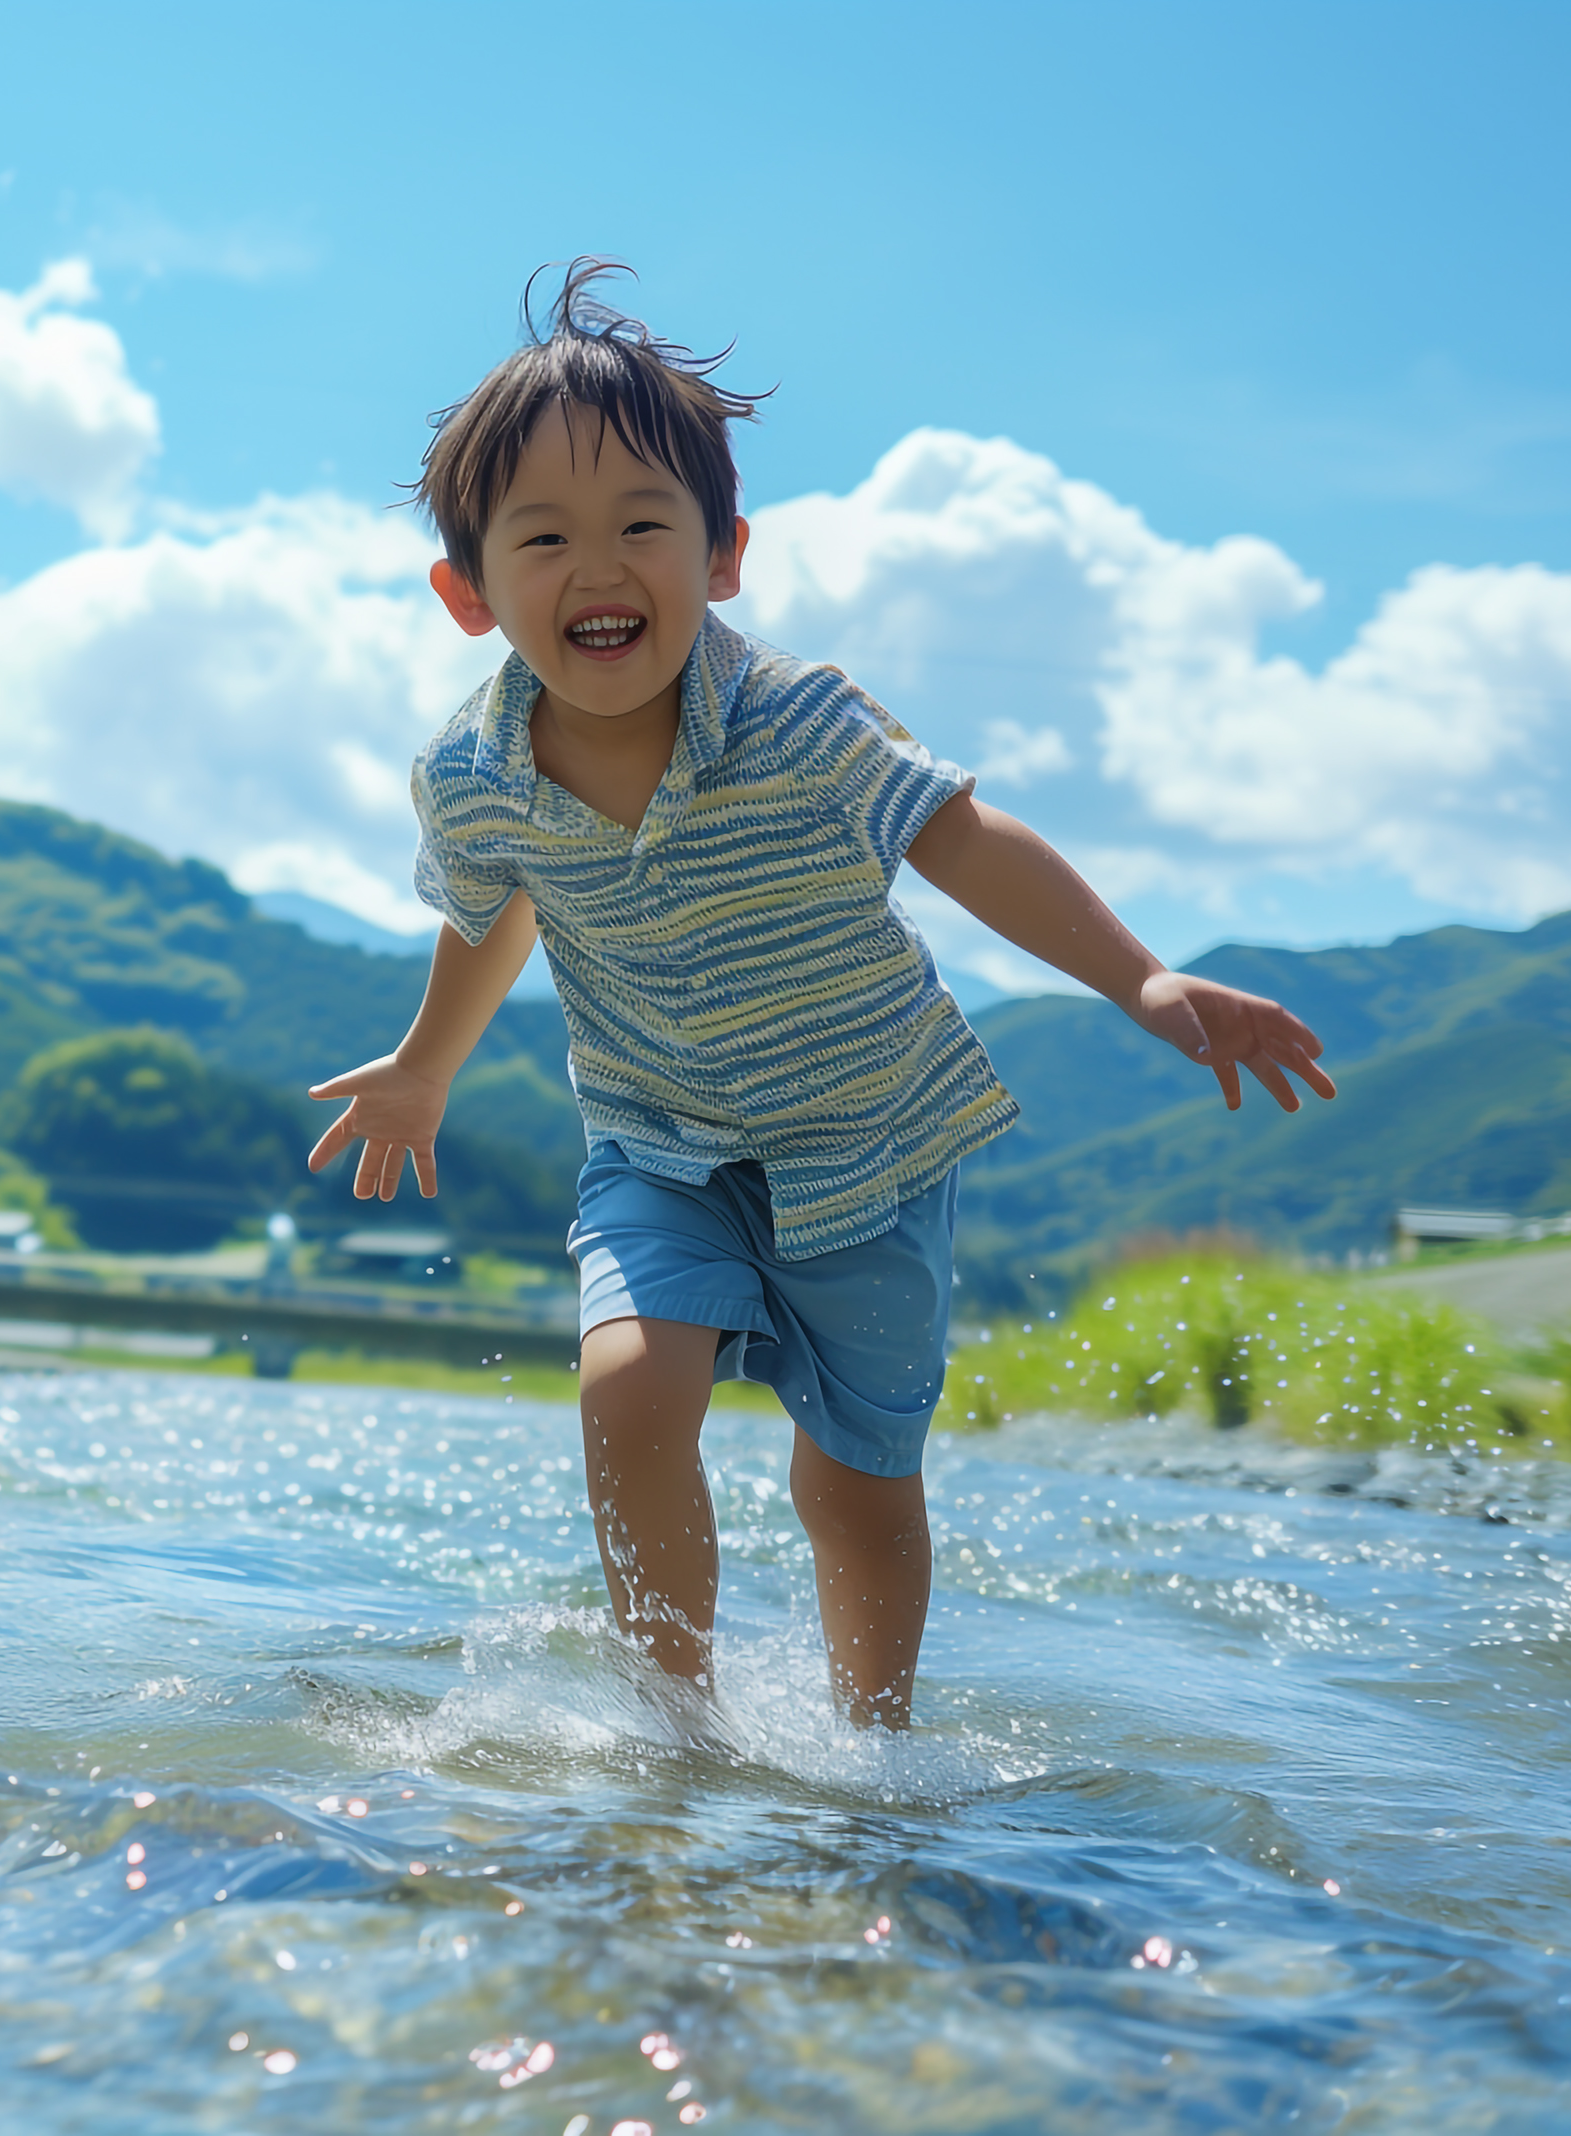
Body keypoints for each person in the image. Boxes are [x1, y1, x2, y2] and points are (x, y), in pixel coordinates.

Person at [305, 261, 1337, 1728]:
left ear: (722, 556)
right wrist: (424, 1067)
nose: (599, 567)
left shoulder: (799, 720)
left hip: (872, 1146)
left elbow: (964, 838)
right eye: (544, 538)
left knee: (857, 1483)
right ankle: (677, 1732)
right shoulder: (472, 779)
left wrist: (1141, 977)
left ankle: (873, 1749)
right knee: (628, 1391)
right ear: (468, 593)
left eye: (642, 527)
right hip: (657, 1146)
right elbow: (493, 916)